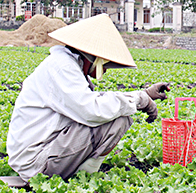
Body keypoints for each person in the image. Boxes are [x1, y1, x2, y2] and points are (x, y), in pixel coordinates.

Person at [6, 14, 170, 182]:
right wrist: (139, 99)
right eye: (105, 63)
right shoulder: (62, 67)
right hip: (36, 162)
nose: (105, 69)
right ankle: (85, 177)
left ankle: (82, 173)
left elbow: (95, 101)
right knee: (118, 121)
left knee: (116, 112)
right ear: (94, 57)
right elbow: (93, 111)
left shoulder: (66, 64)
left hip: (41, 152)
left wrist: (146, 94)